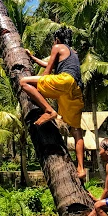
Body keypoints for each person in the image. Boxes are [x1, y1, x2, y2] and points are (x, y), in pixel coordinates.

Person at [19, 27, 86, 180]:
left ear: (57, 39)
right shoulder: (73, 52)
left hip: (64, 80)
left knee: (24, 82)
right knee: (76, 131)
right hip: (75, 89)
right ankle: (81, 169)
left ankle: (49, 111)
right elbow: (49, 63)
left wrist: (41, 85)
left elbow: (47, 71)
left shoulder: (57, 47)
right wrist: (33, 58)